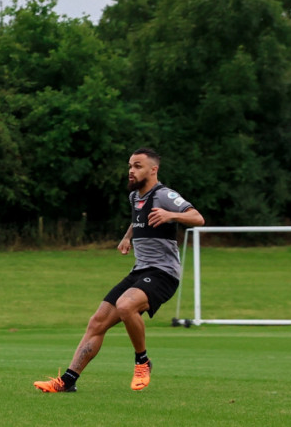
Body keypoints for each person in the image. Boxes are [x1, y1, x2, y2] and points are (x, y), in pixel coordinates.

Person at [34, 147, 204, 393]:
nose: (131, 171)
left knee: (125, 305)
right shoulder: (135, 197)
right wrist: (127, 237)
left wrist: (170, 215)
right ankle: (67, 382)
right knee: (97, 322)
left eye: (137, 166)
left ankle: (142, 362)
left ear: (153, 169)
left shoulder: (165, 195)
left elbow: (198, 217)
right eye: (130, 166)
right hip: (141, 271)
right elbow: (138, 219)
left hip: (163, 273)